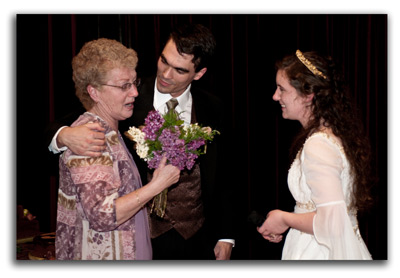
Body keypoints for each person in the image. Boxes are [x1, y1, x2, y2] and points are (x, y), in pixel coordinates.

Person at [48, 24, 235, 260]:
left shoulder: (213, 107)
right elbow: (66, 121)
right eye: (163, 61)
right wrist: (64, 135)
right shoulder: (125, 93)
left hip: (198, 238)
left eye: (179, 70)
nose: (166, 74)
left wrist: (226, 236)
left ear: (198, 74)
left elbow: (225, 175)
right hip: (140, 237)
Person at [55, 38, 180, 260]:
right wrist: (158, 185)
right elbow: (102, 215)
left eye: (134, 83)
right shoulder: (90, 137)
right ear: (94, 92)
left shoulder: (109, 131)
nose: (134, 93)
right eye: (124, 86)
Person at [257, 50, 373, 260]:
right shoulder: (333, 135)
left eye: (282, 89)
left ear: (308, 95)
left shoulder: (318, 145)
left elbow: (333, 223)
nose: (275, 96)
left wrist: (284, 218)